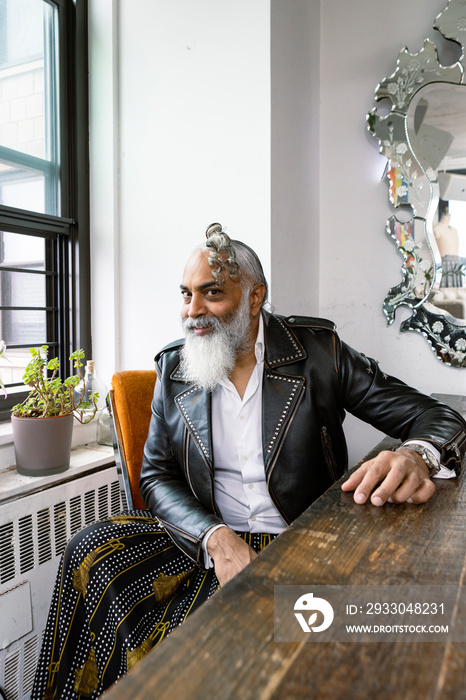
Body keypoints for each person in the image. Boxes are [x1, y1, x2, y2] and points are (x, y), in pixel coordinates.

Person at [32, 224, 466, 699]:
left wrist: (415, 454)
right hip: (209, 536)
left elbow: (435, 415)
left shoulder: (319, 353)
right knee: (89, 551)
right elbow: (156, 475)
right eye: (186, 294)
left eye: (211, 293)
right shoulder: (174, 369)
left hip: (302, 539)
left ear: (255, 297)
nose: (192, 311)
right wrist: (215, 538)